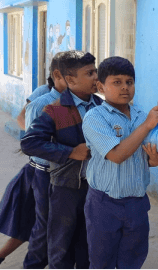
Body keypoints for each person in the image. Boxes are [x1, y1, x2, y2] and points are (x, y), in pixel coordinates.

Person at [82, 56, 158, 269]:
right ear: (100, 86)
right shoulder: (95, 117)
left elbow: (147, 158)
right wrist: (147, 126)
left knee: (133, 259)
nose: (125, 88)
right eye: (116, 82)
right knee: (102, 261)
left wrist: (156, 158)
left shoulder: (140, 115)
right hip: (104, 204)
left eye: (129, 82)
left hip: (136, 203)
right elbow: (117, 155)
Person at [21, 51, 103, 269]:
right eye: (89, 73)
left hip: (95, 188)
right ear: (70, 79)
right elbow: (29, 142)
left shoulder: (102, 107)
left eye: (95, 71)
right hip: (65, 188)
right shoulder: (56, 109)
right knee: (60, 246)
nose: (96, 77)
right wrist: (69, 151)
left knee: (87, 245)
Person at [0, 55, 64, 266]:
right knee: (32, 222)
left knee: (38, 223)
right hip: (39, 168)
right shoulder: (43, 94)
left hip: (58, 170)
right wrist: (38, 137)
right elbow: (22, 116)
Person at [22, 52, 68, 269]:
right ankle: (33, 264)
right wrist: (68, 152)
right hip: (45, 173)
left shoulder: (84, 103)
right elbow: (32, 145)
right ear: (57, 76)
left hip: (71, 176)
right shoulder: (42, 104)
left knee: (65, 226)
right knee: (45, 225)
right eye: (74, 75)